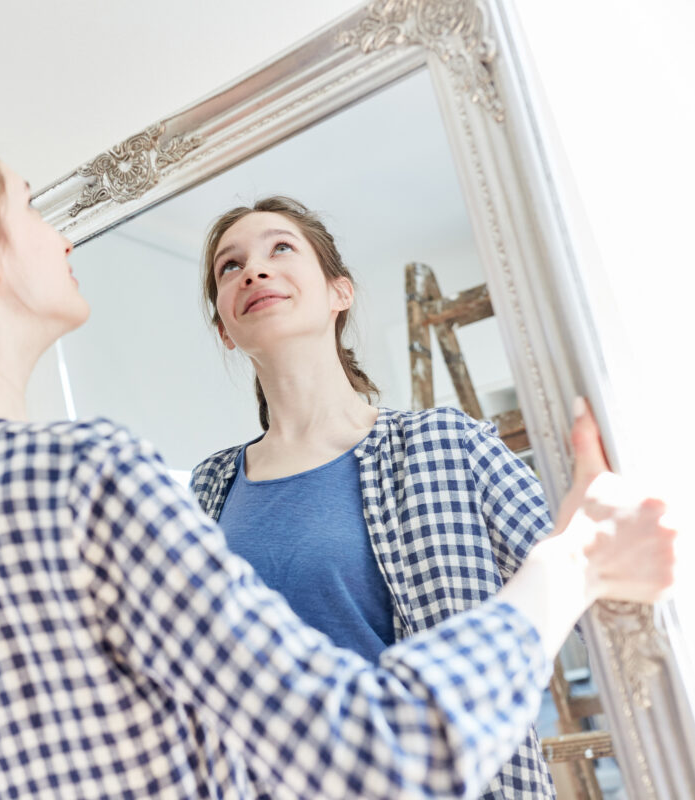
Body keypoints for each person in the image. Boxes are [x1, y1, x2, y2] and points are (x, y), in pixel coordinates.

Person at [0, 126, 675, 800]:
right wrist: (575, 563)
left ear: (337, 290)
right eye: (33, 208)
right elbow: (385, 750)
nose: (61, 237)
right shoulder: (88, 480)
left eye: (282, 251)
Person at [191, 196, 584, 798]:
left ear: (339, 293)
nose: (254, 270)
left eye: (281, 249)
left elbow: (585, 599)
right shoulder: (206, 493)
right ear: (224, 328)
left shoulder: (446, 445)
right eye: (230, 266)